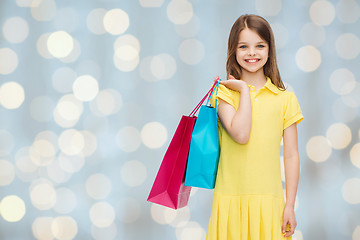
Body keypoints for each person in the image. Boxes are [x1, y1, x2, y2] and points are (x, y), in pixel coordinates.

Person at [207, 14, 304, 240]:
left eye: (260, 45)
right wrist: (242, 90)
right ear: (233, 50)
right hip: (230, 200)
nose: (252, 53)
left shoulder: (285, 98)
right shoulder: (223, 94)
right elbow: (241, 134)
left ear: (270, 50)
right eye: (244, 46)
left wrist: (289, 205)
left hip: (270, 203)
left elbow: (291, 155)